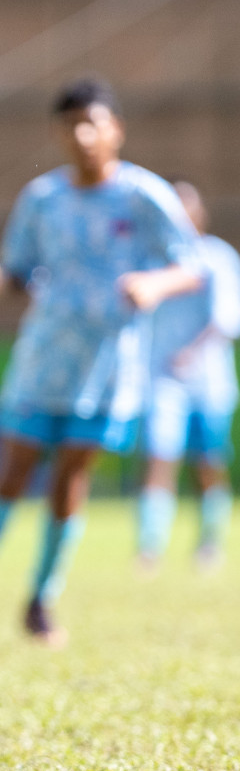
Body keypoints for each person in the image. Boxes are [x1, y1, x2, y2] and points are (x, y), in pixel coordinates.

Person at [0, 78, 201, 650]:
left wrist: (155, 282)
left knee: (71, 480)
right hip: (44, 359)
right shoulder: (42, 198)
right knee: (10, 473)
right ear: (58, 133)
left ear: (116, 129)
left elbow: (191, 265)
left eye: (94, 123)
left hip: (107, 370)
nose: (83, 135)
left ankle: (41, 601)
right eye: (71, 125)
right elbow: (19, 271)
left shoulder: (145, 196)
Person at [134, 181, 240, 572]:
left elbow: (226, 320)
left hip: (208, 381)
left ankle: (210, 545)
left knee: (208, 462)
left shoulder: (217, 257)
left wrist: (190, 353)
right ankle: (149, 549)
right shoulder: (151, 260)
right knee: (159, 457)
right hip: (161, 380)